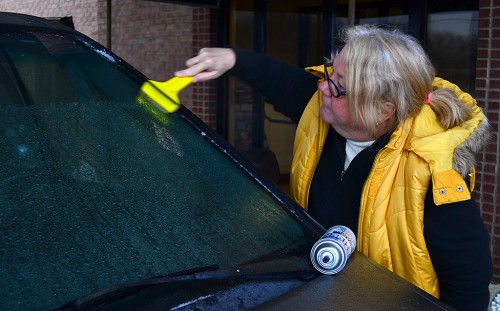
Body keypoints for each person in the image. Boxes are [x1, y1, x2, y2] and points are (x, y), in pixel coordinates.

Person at [175, 24, 493, 310]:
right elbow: (276, 78)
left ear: (383, 109)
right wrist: (231, 59)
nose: (323, 88)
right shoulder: (319, 110)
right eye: (331, 73)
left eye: (339, 85)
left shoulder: (433, 175)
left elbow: (468, 282)